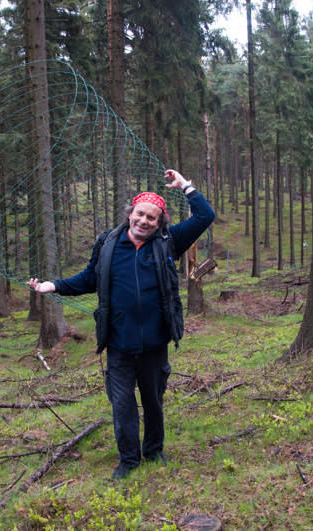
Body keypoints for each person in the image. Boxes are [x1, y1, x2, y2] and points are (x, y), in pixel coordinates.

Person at [27, 169, 215, 479]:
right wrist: (53, 286)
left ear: (159, 223)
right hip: (118, 341)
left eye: (152, 218)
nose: (144, 221)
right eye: (140, 214)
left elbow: (205, 215)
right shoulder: (108, 243)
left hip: (155, 341)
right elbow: (90, 278)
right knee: (123, 403)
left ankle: (154, 450)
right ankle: (128, 460)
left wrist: (185, 186)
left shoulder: (169, 241)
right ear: (131, 213)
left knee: (153, 400)